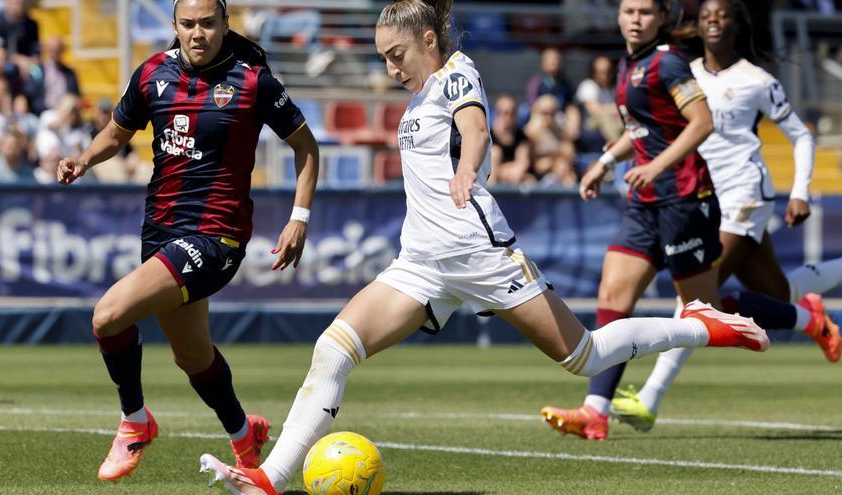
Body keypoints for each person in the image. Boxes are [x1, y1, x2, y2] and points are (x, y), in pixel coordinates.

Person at [197, 2, 769, 493]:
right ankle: (270, 477)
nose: (390, 65)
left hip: (479, 252)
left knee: (584, 356)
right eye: (382, 56)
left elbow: (474, 130)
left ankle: (699, 323)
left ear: (427, 40)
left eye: (397, 53)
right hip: (419, 263)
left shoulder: (457, 75)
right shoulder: (420, 92)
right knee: (332, 350)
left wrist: (468, 168)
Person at [56, 0, 320, 482]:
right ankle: (246, 435)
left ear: (224, 25)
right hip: (159, 231)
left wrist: (298, 217)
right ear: (175, 27)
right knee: (192, 355)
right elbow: (117, 134)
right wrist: (84, 159)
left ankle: (135, 422)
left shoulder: (252, 81)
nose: (198, 33)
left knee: (109, 315)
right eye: (188, 24)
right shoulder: (153, 72)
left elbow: (305, 147)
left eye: (208, 23)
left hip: (217, 236)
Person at [609, 0, 842, 433]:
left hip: (745, 195)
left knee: (697, 300)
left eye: (723, 13)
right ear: (698, 24)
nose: (714, 19)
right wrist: (607, 161)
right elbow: (644, 124)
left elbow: (800, 136)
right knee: (781, 292)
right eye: (706, 14)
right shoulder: (683, 70)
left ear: (737, 23)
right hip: (701, 196)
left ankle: (648, 400)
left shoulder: (757, 80)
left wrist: (800, 190)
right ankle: (813, 319)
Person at [539, 0, 730, 441]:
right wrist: (605, 161)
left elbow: (702, 123)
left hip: (683, 199)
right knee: (613, 293)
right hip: (646, 203)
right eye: (628, 11)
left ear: (662, 18)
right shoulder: (629, 65)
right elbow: (640, 127)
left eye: (646, 11)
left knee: (707, 313)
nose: (636, 18)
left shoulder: (668, 64)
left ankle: (795, 315)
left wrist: (657, 166)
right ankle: (595, 411)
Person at [488, 93, 532, 185]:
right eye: (505, 113)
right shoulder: (488, 135)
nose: (509, 117)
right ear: (497, 113)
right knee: (496, 152)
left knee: (530, 180)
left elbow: (522, 166)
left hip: (515, 180)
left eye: (513, 113)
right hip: (490, 181)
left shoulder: (521, 137)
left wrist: (499, 171)